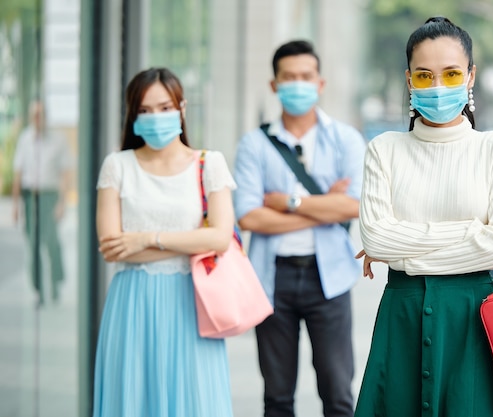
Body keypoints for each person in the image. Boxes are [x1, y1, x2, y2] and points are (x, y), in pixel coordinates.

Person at [354, 17, 493, 417]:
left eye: (450, 74)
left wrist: (405, 254)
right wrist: (473, 233)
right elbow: (377, 239)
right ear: (409, 79)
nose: (437, 86)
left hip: (476, 319)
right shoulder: (384, 149)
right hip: (403, 316)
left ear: (470, 76)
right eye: (424, 75)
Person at [233, 40, 366, 417]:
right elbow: (249, 216)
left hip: (330, 279)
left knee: (338, 393)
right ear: (274, 85)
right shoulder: (255, 144)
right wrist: (325, 206)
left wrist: (289, 202)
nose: (297, 84)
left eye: (305, 77)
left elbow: (355, 205)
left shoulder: (345, 140)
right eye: (288, 77)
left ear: (320, 83)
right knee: (277, 397)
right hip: (271, 279)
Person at [93, 67, 235, 417]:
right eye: (144, 110)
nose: (155, 117)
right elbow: (112, 247)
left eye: (164, 107)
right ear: (132, 115)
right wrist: (191, 242)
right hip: (132, 302)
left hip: (192, 302)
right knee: (132, 398)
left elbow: (220, 238)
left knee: (193, 401)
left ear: (181, 108)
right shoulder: (117, 166)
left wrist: (145, 239)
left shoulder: (209, 164)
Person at [12, 100, 72, 305]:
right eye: (34, 115)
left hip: (50, 196)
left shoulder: (58, 139)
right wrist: (16, 205)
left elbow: (66, 173)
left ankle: (56, 281)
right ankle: (39, 290)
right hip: (31, 196)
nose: (37, 119)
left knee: (52, 242)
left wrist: (62, 202)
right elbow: (18, 172)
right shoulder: (25, 139)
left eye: (40, 115)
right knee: (33, 244)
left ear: (46, 116)